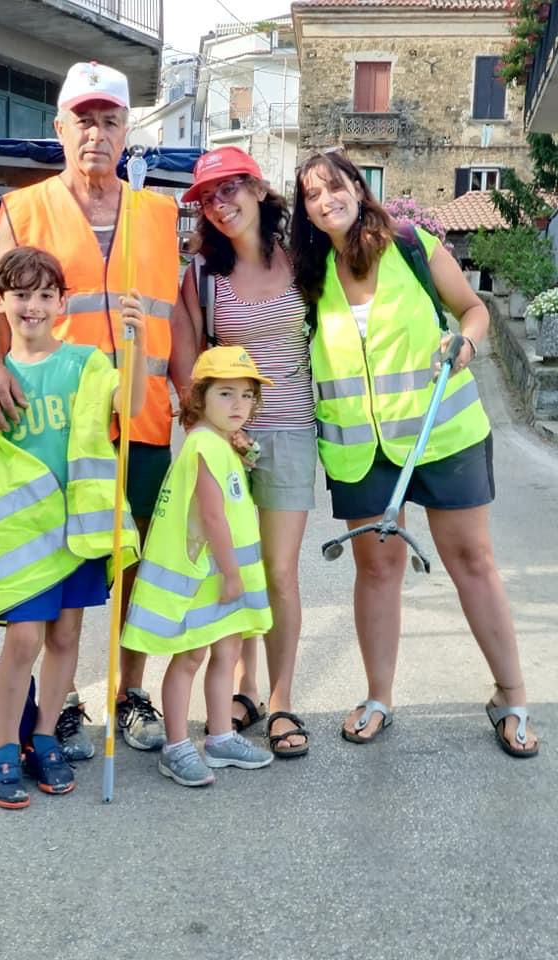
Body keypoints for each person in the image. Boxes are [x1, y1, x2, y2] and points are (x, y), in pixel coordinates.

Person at [0, 62, 188, 755]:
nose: (96, 133)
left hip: (143, 419)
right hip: (60, 428)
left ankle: (129, 694)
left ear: (128, 132)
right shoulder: (25, 208)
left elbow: (177, 318)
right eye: (83, 119)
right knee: (66, 567)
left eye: (110, 120)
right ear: (59, 128)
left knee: (135, 568)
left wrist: (197, 400)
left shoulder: (160, 212)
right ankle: (62, 706)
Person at [290, 150, 538, 758]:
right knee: (376, 571)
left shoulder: (410, 243)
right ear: (306, 210)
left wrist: (467, 343)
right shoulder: (311, 270)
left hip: (442, 435)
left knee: (473, 563)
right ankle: (379, 698)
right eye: (312, 195)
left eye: (335, 186)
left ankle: (511, 696)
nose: (327, 200)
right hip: (360, 450)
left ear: (357, 185)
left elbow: (474, 311)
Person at [0, 246, 145, 807]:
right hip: (25, 540)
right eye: (20, 295)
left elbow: (129, 408)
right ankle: (5, 748)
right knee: (25, 639)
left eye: (44, 295)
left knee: (65, 636)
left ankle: (45, 736)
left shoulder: (85, 364)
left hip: (78, 530)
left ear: (62, 303)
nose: (32, 306)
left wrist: (135, 346)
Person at [176, 147, 316, 758]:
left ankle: (282, 700)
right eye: (208, 197)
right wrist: (207, 431)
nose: (220, 203)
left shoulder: (305, 260)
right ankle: (244, 685)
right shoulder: (204, 274)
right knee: (233, 565)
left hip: (290, 431)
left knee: (279, 572)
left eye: (230, 188)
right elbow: (186, 359)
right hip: (225, 439)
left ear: (258, 189)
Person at [122, 346, 275, 786]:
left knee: (226, 650)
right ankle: (175, 746)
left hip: (220, 576)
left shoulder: (221, 442)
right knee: (189, 655)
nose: (238, 406)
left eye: (247, 396)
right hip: (205, 576)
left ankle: (221, 736)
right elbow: (212, 517)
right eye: (226, 394)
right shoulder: (204, 446)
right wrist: (231, 574)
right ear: (200, 397)